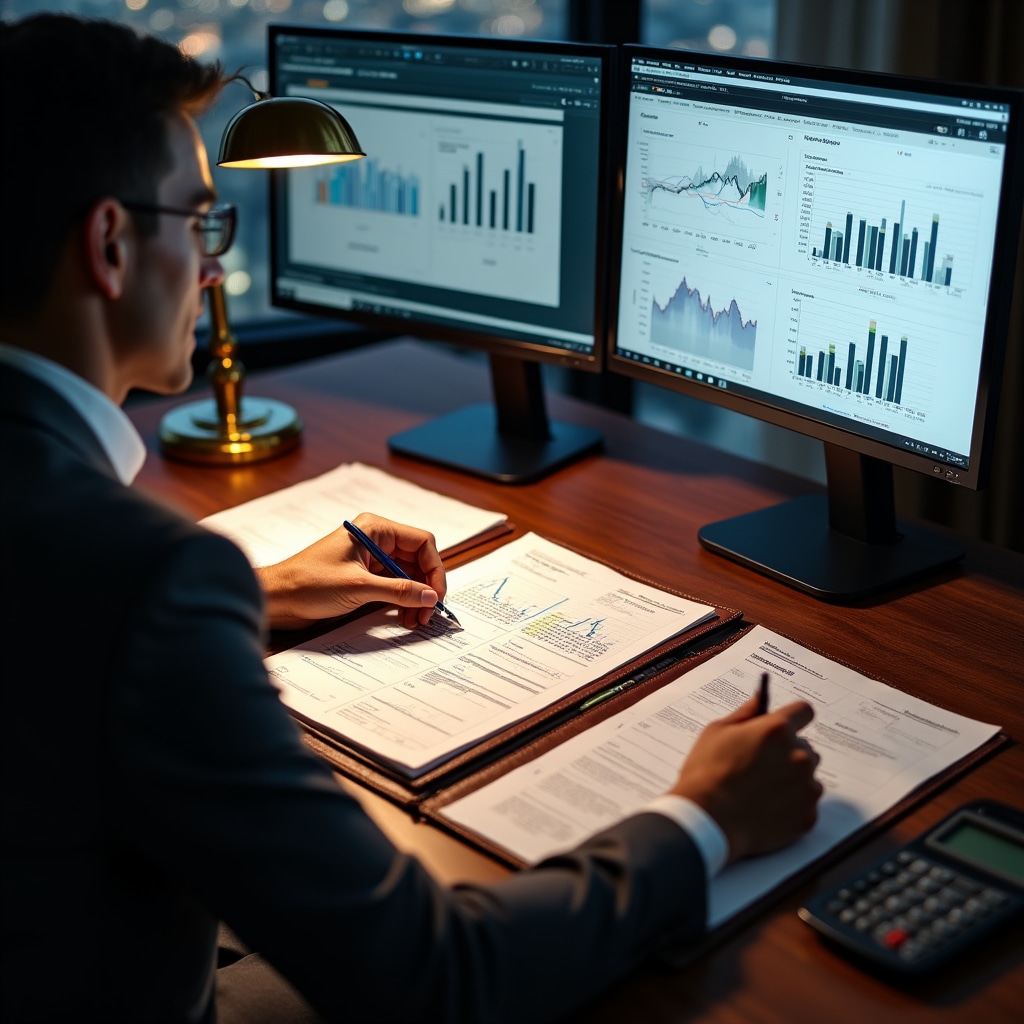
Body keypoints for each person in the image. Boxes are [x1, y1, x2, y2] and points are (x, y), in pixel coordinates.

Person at [0, 14, 823, 1024]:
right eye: (201, 222)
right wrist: (702, 820)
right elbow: (436, 979)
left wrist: (253, 598)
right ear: (112, 244)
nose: (213, 267)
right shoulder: (148, 582)